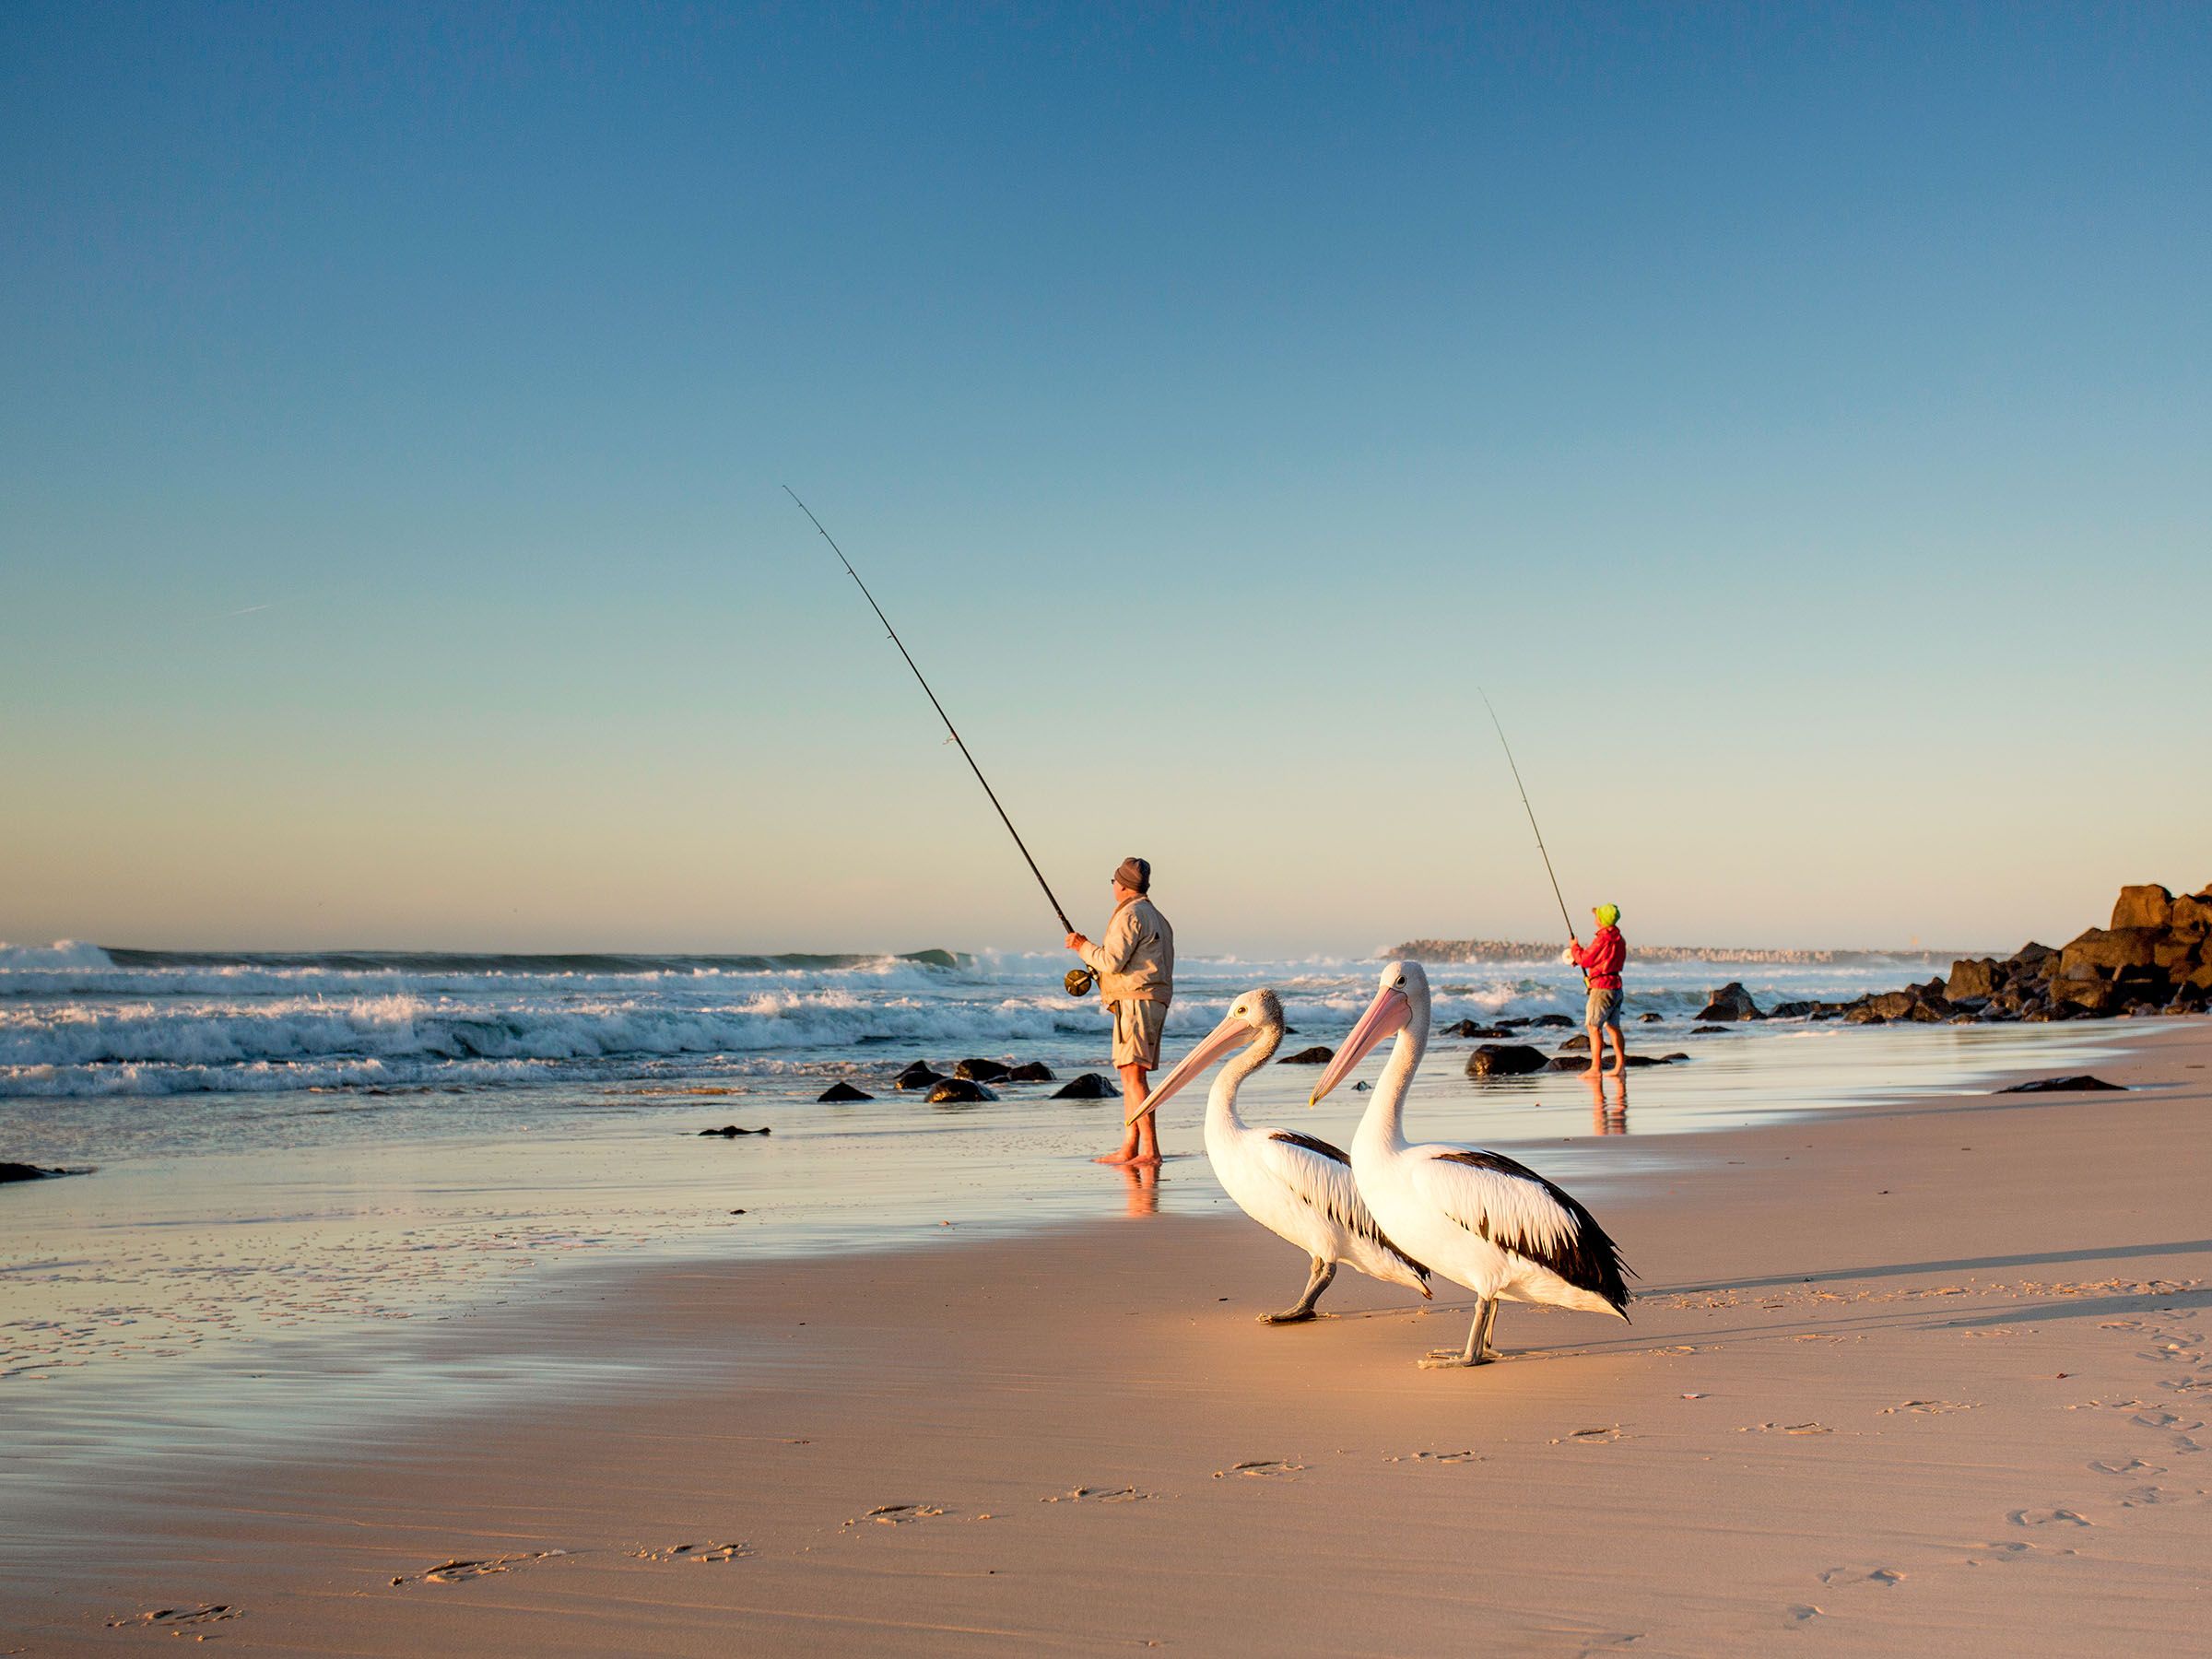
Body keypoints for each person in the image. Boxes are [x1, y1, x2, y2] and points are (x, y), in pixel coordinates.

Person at [1065, 856, 1175, 1166]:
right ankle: (1130, 1146)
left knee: (1134, 1075)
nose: (1112, 886)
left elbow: (1112, 961)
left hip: (1136, 1001)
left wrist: (1082, 946)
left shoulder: (1131, 915)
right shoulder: (1157, 916)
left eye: (1113, 881)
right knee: (1131, 1074)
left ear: (1123, 885)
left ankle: (1149, 1151)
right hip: (1150, 998)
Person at [1567, 901, 1628, 1078]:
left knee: (1593, 1027)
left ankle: (1596, 1068)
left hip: (1602, 988)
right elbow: (1604, 959)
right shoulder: (1620, 939)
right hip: (1616, 985)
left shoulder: (1602, 939)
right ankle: (1620, 1066)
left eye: (1597, 916)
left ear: (1601, 919)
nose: (1595, 919)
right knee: (1614, 1027)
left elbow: (1586, 959)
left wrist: (1574, 948)